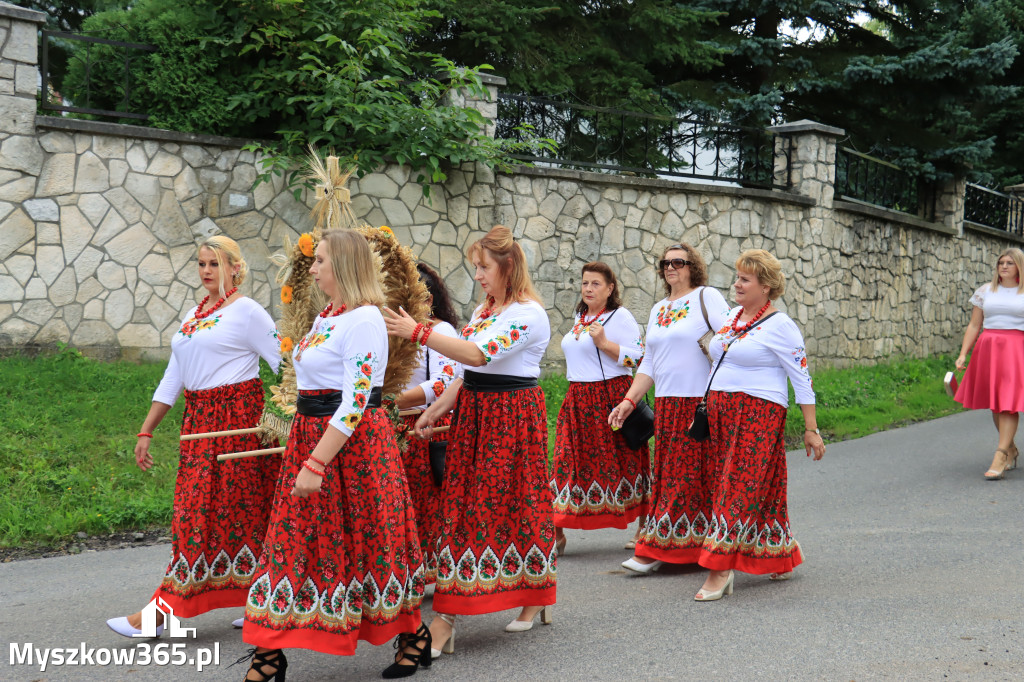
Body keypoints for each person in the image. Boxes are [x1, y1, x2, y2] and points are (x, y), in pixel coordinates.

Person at [240, 230, 427, 681]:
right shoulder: (328, 315)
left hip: (354, 447)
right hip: (313, 437)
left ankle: (411, 634)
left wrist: (316, 462)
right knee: (290, 540)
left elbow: (357, 401)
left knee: (374, 541)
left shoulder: (364, 319)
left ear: (342, 266)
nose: (315, 267)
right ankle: (268, 653)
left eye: (321, 260)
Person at [383, 225, 554, 657]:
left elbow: (479, 355)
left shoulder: (528, 314)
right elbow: (467, 372)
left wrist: (417, 332)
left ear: (508, 266)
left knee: (504, 505)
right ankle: (504, 596)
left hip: (512, 416)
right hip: (476, 412)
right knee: (461, 506)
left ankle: (457, 616)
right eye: (475, 266)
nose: (477, 274)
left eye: (483, 266)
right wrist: (437, 408)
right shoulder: (486, 309)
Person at [107, 236, 281, 638]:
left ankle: (156, 616)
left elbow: (285, 365)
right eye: (201, 264)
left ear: (235, 268)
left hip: (238, 423)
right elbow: (175, 375)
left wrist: (284, 414)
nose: (206, 271)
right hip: (200, 422)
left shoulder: (248, 312)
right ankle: (261, 600)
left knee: (213, 515)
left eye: (214, 264)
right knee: (216, 514)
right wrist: (147, 428)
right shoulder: (195, 313)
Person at [693, 249, 825, 602]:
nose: (736, 284)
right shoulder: (733, 316)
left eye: (744, 279)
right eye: (737, 277)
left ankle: (720, 568)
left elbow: (801, 377)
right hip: (721, 412)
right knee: (757, 484)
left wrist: (811, 428)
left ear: (765, 287)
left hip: (757, 413)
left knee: (736, 485)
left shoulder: (781, 326)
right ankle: (777, 553)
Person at [609, 244, 731, 573]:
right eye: (665, 262)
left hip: (699, 401)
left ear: (694, 266)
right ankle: (695, 546)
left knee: (688, 474)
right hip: (666, 404)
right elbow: (650, 362)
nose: (670, 267)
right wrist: (629, 400)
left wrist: (718, 392)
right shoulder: (659, 308)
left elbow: (729, 342)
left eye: (679, 261)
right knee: (671, 475)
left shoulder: (707, 297)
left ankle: (654, 549)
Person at [551, 262, 646, 552]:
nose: (588, 288)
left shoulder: (620, 316)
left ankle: (644, 526)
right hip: (577, 398)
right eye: (585, 283)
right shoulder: (579, 315)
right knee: (565, 461)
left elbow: (637, 359)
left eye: (595, 283)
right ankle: (556, 531)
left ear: (610, 288)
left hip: (610, 397)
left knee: (626, 461)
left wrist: (604, 343)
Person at [394, 263, 461, 584]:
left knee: (426, 502)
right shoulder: (391, 330)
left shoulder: (442, 331)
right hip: (395, 426)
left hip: (426, 424)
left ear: (429, 297)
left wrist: (397, 401)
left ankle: (431, 570)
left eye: (418, 296)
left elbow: (445, 382)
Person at [954, 247, 1024, 480]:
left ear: (1019, 267)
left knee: (1008, 403)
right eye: (1001, 262)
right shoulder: (986, 291)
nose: (1003, 266)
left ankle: (1001, 454)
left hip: (1016, 350)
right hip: (989, 348)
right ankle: (1011, 448)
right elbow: (975, 325)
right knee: (996, 403)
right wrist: (964, 353)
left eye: (1009, 263)